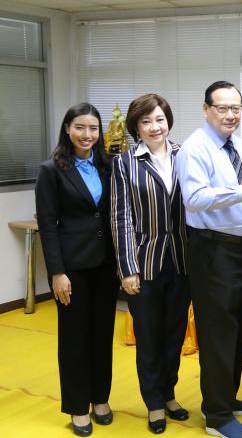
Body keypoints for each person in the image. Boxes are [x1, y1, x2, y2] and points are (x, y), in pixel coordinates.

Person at [175, 81, 242, 438]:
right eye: (222, 108)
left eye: (236, 108)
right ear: (206, 109)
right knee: (218, 333)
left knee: (234, 329)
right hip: (211, 249)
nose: (230, 115)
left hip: (237, 249)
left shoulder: (237, 144)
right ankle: (216, 417)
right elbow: (195, 200)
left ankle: (225, 398)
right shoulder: (195, 148)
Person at [35, 103, 119, 437]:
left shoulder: (109, 165)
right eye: (80, 127)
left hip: (106, 265)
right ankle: (77, 406)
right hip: (71, 268)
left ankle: (100, 398)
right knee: (74, 339)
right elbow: (48, 226)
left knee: (102, 335)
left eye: (93, 128)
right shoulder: (51, 170)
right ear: (68, 129)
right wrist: (57, 272)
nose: (87, 135)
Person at [110, 94, 191, 434]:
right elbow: (120, 218)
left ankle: (169, 394)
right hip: (145, 263)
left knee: (174, 335)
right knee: (148, 337)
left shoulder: (185, 154)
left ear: (168, 120)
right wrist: (127, 268)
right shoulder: (124, 163)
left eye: (160, 119)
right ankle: (154, 403)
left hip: (183, 260)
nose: (155, 127)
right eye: (146, 121)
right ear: (135, 127)